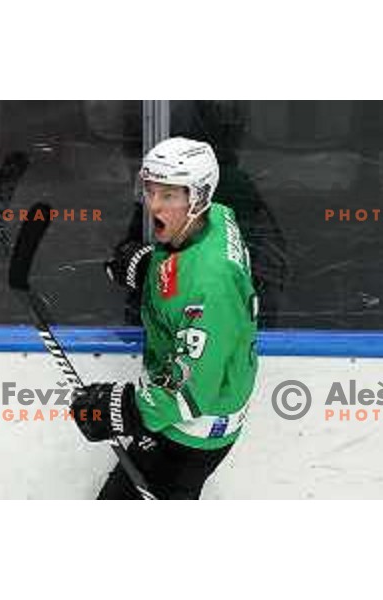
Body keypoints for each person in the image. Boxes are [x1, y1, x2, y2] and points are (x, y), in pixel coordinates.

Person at [71, 137, 259, 499]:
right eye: (151, 190)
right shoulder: (215, 218)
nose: (153, 205)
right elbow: (188, 275)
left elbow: (191, 390)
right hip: (194, 413)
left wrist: (125, 409)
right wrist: (151, 269)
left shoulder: (212, 282)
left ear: (198, 197)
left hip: (191, 432)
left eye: (169, 195)